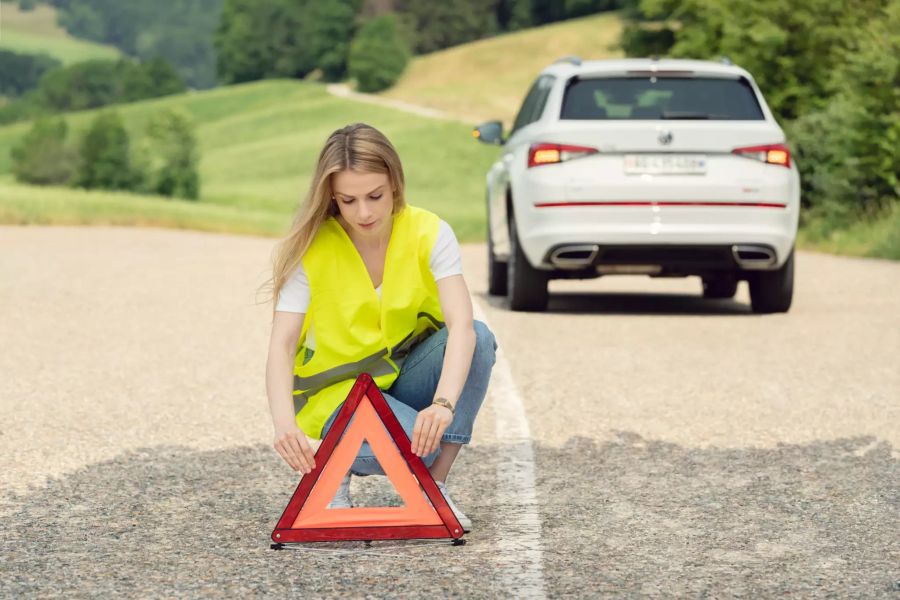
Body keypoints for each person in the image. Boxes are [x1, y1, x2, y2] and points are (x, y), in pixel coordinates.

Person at [262, 122, 498, 532]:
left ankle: (432, 487)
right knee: (415, 451)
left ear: (395, 183)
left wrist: (442, 406)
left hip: (404, 378)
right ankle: (334, 474)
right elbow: (281, 345)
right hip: (341, 397)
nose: (364, 213)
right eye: (348, 201)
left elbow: (461, 326)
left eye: (375, 196)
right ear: (331, 197)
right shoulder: (311, 248)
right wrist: (284, 424)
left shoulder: (430, 231)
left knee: (480, 338)